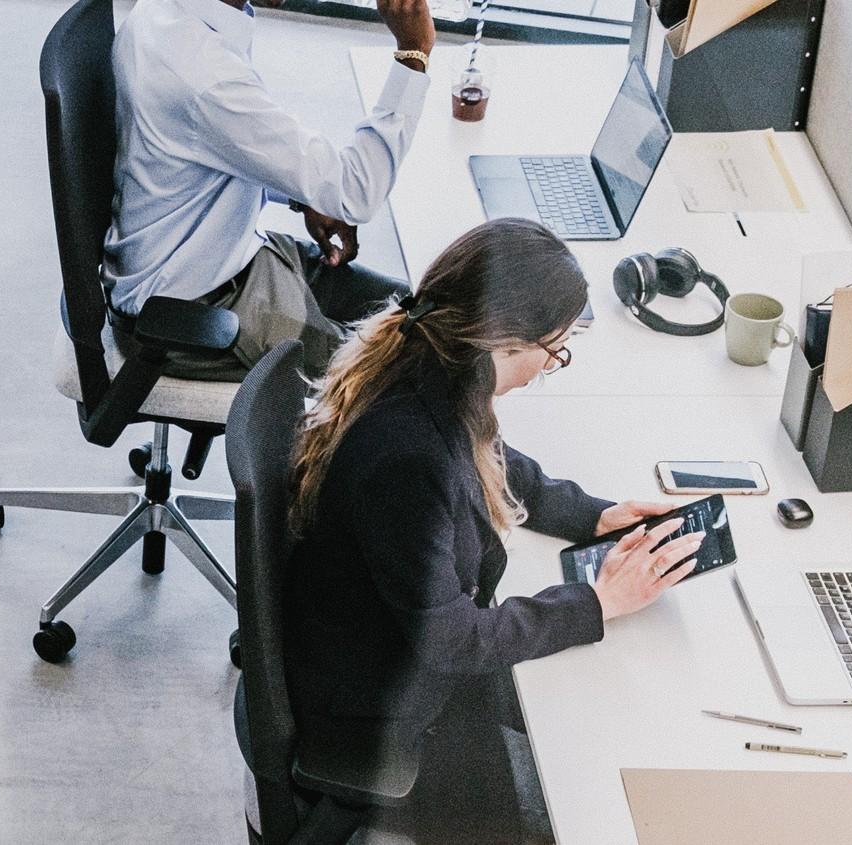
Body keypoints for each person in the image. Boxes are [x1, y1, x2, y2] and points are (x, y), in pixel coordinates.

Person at [281, 219, 701, 826]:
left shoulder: (430, 359)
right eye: (554, 352)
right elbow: (451, 641)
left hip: (371, 637)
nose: (549, 367)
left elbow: (486, 452)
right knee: (577, 777)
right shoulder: (406, 457)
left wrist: (591, 515)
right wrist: (597, 602)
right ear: (506, 341)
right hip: (374, 700)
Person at [106, 0, 438, 380]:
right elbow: (354, 192)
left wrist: (305, 195)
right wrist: (413, 54)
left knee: (429, 315)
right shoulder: (205, 74)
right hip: (196, 307)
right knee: (413, 370)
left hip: (214, 254)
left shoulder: (170, 14)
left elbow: (210, 142)